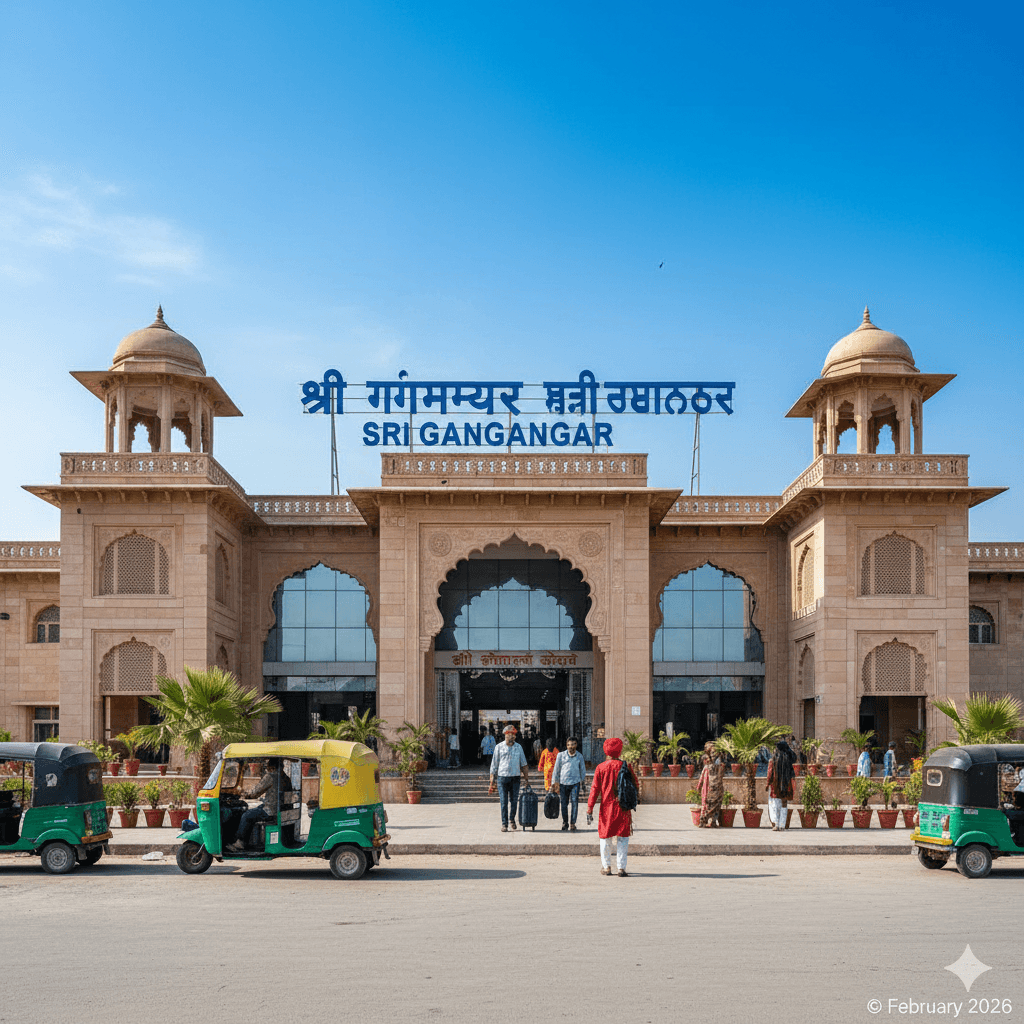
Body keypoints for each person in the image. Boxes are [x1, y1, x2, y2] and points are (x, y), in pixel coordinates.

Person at [586, 737, 636, 876]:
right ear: (619, 751)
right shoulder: (626, 766)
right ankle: (621, 868)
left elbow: (595, 789)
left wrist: (590, 807)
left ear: (605, 750)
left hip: (606, 808)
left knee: (605, 837)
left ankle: (606, 867)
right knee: (623, 838)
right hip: (623, 807)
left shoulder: (600, 767)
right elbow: (635, 785)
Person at [229, 761, 285, 851]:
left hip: (271, 811)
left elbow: (255, 793)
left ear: (272, 768)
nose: (267, 770)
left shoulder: (270, 776)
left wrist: (245, 794)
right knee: (256, 809)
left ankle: (241, 842)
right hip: (279, 809)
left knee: (246, 815)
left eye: (267, 768)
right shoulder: (285, 778)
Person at [488, 725, 529, 832]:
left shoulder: (518, 747)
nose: (512, 738)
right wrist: (492, 781)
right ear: (505, 735)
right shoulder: (499, 747)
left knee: (514, 801)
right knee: (504, 802)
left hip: (515, 778)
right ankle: (504, 823)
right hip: (502, 779)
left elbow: (524, 764)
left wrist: (526, 779)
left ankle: (512, 819)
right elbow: (494, 765)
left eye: (513, 735)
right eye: (509, 735)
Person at [551, 736, 587, 831]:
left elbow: (582, 770)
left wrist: (583, 783)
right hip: (563, 783)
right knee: (564, 804)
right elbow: (556, 770)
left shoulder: (579, 756)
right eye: (569, 745)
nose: (571, 747)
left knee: (574, 803)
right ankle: (565, 822)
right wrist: (554, 783)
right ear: (566, 746)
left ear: (576, 745)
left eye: (573, 744)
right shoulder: (561, 755)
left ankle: (573, 823)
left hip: (575, 783)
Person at [766, 739, 795, 831]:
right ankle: (782, 825)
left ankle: (777, 824)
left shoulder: (774, 759)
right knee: (784, 803)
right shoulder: (789, 758)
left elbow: (770, 772)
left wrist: (767, 784)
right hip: (786, 784)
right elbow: (794, 759)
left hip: (776, 784)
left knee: (776, 804)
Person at [698, 741, 726, 828]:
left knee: (713, 805)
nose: (714, 754)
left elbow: (721, 775)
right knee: (712, 805)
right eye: (712, 752)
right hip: (713, 788)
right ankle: (706, 820)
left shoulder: (717, 766)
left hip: (715, 788)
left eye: (716, 753)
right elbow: (702, 778)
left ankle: (710, 821)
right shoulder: (710, 766)